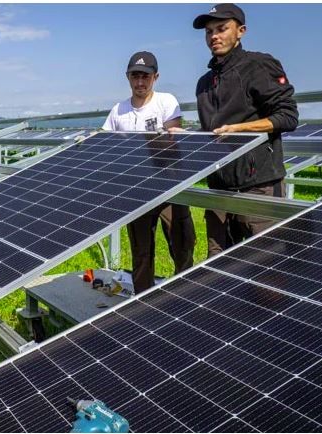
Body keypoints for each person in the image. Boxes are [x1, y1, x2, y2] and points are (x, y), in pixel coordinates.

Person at [193, 3, 299, 257]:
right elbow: (213, 131)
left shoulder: (259, 66)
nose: (214, 36)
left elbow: (288, 116)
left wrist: (241, 129)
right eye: (209, 31)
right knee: (217, 264)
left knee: (265, 264)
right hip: (219, 185)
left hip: (258, 183)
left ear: (241, 31)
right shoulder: (204, 83)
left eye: (221, 28)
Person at [102, 51, 196, 292]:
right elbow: (105, 143)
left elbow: (174, 138)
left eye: (145, 76)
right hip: (137, 189)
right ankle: (143, 300)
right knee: (141, 251)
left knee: (182, 242)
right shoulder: (118, 111)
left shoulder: (166, 102)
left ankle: (185, 291)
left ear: (156, 77)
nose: (140, 82)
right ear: (128, 77)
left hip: (169, 183)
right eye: (135, 76)